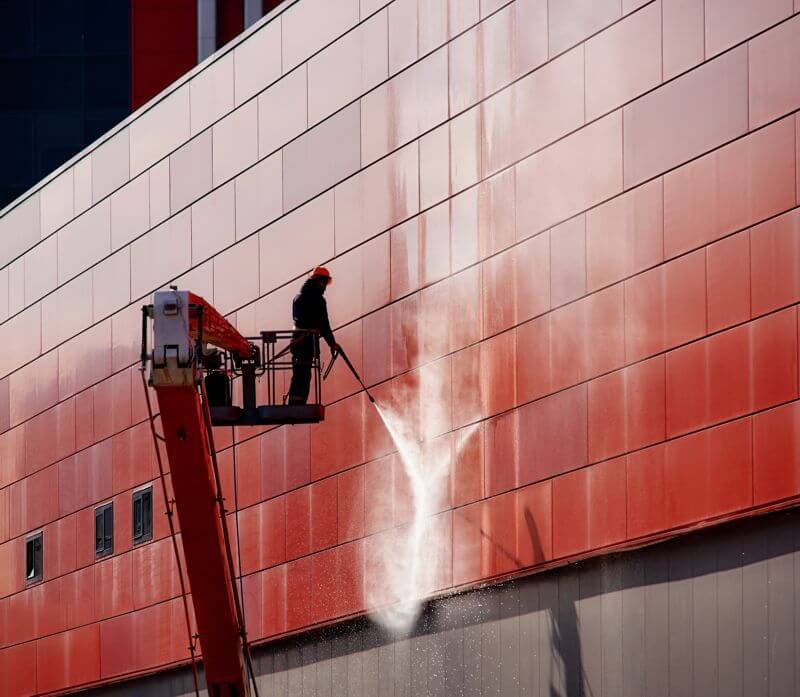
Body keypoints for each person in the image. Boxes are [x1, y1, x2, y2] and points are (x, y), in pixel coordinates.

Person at [287, 266, 339, 405]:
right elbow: (324, 324)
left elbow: (298, 318)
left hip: (296, 341)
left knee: (298, 372)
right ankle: (297, 405)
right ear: (320, 282)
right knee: (304, 374)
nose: (325, 287)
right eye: (324, 283)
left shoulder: (297, 298)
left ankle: (294, 403)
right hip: (307, 343)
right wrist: (332, 344)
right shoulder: (319, 301)